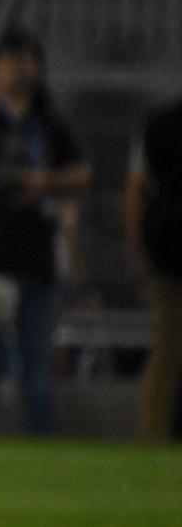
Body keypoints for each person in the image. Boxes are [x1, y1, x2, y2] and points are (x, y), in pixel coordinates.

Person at [0, 28, 90, 435]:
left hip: (36, 256)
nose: (20, 68)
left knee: (36, 362)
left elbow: (83, 173)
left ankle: (40, 441)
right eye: (11, 59)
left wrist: (45, 183)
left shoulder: (48, 122)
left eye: (28, 59)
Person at [125, 95, 182, 441]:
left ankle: (152, 436)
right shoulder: (162, 125)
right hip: (173, 256)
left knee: (166, 355)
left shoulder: (161, 124)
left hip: (169, 253)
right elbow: (135, 189)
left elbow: (135, 188)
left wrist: (138, 253)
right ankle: (152, 435)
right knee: (166, 354)